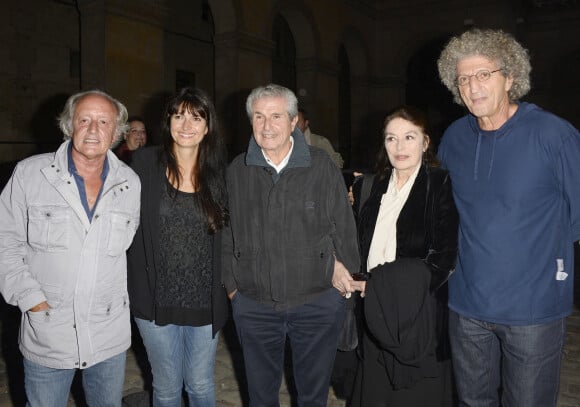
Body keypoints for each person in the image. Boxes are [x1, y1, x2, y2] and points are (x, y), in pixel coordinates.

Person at [437, 28, 580, 406]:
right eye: (464, 78)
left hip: (533, 308)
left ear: (511, 77)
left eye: (484, 74)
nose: (472, 86)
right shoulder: (454, 138)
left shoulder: (553, 135)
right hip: (466, 304)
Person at [222, 83, 361, 407]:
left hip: (315, 303)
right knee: (260, 396)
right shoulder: (238, 170)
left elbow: (344, 227)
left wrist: (344, 290)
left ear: (294, 121)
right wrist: (233, 288)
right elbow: (226, 233)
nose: (267, 126)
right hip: (255, 306)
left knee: (313, 396)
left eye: (276, 116)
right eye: (259, 117)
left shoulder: (321, 164)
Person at [0, 90, 140, 406]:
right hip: (49, 334)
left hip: (108, 338)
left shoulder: (131, 183)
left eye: (104, 121)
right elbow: (4, 242)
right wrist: (31, 300)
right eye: (84, 120)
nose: (93, 129)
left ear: (116, 132)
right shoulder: (29, 174)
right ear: (69, 126)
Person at [350, 106, 458, 407]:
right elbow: (355, 246)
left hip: (417, 315)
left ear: (425, 143)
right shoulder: (369, 186)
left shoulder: (440, 184)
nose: (400, 147)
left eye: (409, 137)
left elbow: (444, 258)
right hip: (372, 311)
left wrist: (383, 287)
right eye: (391, 138)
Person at [127, 87, 229, 406]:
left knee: (200, 384)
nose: (187, 125)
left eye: (196, 117)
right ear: (168, 120)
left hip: (204, 299)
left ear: (208, 125)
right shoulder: (144, 163)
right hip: (155, 298)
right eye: (179, 115)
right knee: (167, 387)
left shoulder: (221, 174)